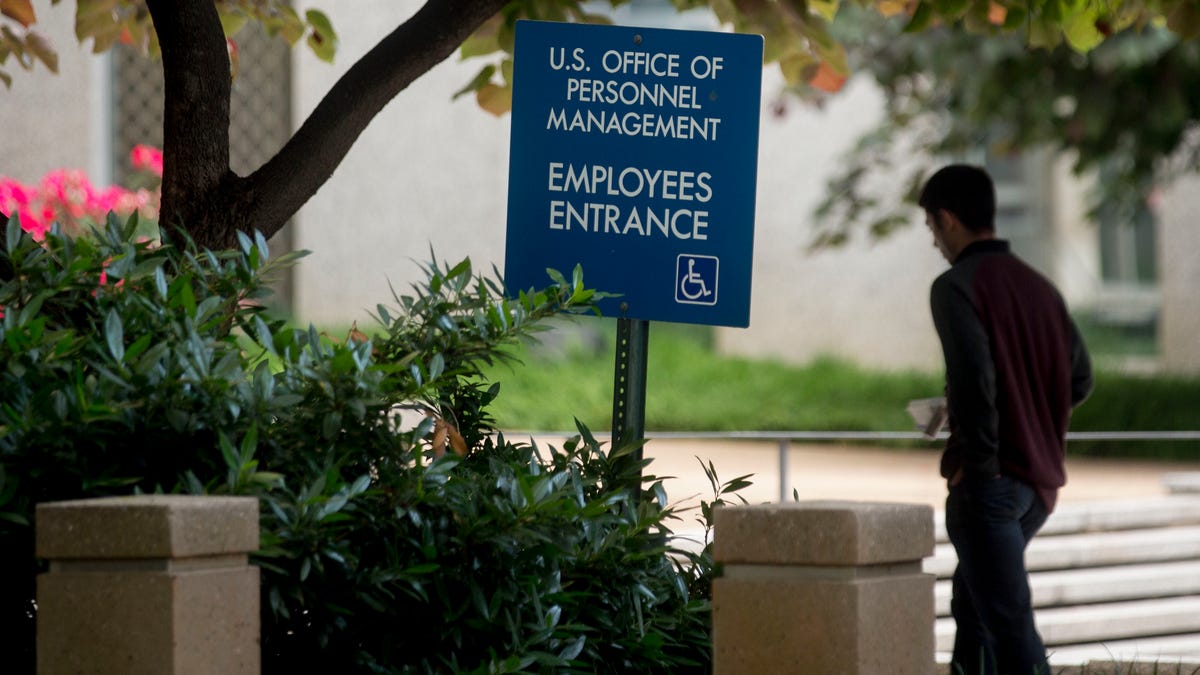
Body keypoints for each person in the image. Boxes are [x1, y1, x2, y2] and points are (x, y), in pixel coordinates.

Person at [919, 164, 1094, 675]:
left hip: (990, 488)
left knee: (1011, 630)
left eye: (932, 229)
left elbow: (976, 381)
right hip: (1038, 488)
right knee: (975, 611)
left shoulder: (955, 287)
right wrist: (1032, 418)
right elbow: (1079, 380)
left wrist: (977, 466)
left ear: (948, 220)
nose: (935, 242)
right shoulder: (1040, 288)